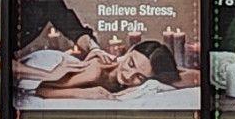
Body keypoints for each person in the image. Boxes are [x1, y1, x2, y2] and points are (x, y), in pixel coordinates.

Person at [25, 38, 182, 99]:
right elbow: (41, 90)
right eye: (131, 64)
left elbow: (184, 77)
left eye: (139, 77)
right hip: (44, 66)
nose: (128, 76)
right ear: (129, 50)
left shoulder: (126, 79)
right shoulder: (96, 71)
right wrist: (82, 93)